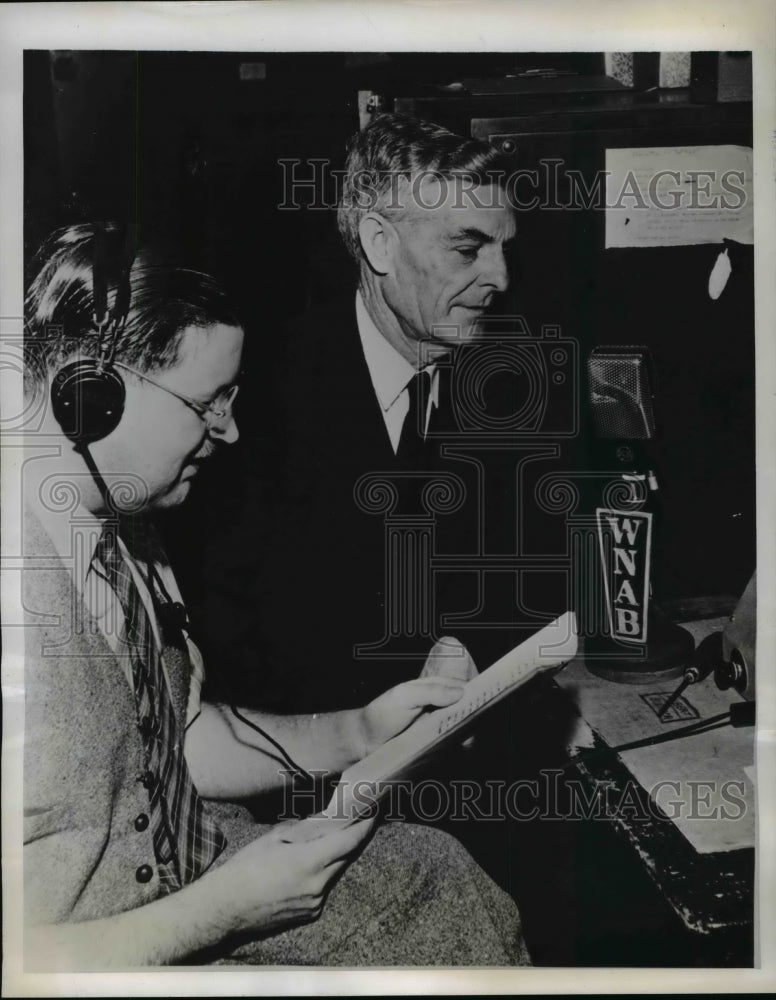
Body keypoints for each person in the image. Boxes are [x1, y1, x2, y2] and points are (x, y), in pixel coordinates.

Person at [20, 222, 530, 969]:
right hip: (104, 952)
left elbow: (184, 738)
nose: (227, 432)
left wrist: (362, 730)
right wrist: (224, 908)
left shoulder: (124, 517)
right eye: (207, 403)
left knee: (440, 877)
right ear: (92, 394)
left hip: (182, 879)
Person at [208, 114, 529, 714]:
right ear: (381, 244)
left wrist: (467, 644)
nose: (501, 278)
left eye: (504, 247)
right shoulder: (256, 401)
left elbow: (526, 566)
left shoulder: (508, 382)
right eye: (468, 249)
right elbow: (229, 639)